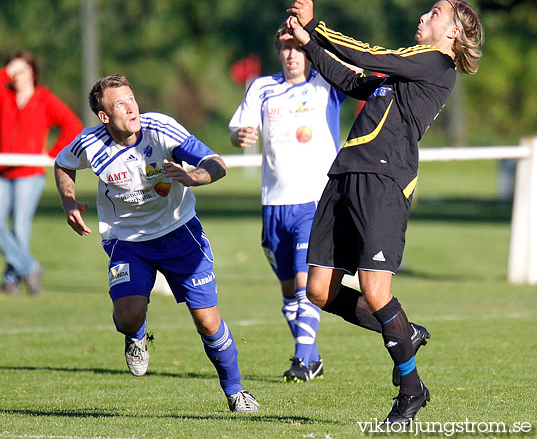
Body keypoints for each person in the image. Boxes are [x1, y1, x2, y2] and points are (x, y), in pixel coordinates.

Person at [287, 0, 483, 427]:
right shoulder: (408, 70)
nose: (422, 16)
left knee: (377, 293)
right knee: (319, 291)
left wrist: (316, 25)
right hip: (346, 174)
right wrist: (308, 45)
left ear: (453, 33)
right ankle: (405, 332)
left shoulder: (434, 63)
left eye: (434, 13)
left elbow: (370, 54)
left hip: (383, 181)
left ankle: (412, 390)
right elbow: (354, 80)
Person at [54, 74, 259, 414]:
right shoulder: (90, 144)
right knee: (129, 317)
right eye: (121, 104)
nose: (131, 107)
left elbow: (216, 163)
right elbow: (63, 163)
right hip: (127, 241)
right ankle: (136, 337)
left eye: (131, 98)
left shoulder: (160, 129)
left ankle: (235, 392)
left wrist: (196, 176)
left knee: (208, 322)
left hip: (179, 233)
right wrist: (68, 202)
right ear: (104, 117)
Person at [229, 24, 367, 382]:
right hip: (274, 204)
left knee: (306, 283)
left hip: (316, 201)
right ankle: (313, 357)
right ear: (278, 52)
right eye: (285, 47)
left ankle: (302, 360)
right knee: (290, 289)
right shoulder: (262, 88)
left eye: (297, 48)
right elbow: (237, 129)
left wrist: (315, 34)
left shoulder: (325, 84)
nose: (291, 54)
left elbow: (355, 72)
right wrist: (239, 134)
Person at [0, 51, 82, 295]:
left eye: (21, 70)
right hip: (3, 170)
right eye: (11, 70)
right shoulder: (4, 95)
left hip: (30, 172)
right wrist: (6, 72)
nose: (15, 75)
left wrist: (53, 153)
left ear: (33, 73)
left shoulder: (44, 98)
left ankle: (10, 280)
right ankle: (30, 268)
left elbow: (72, 124)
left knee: (20, 226)